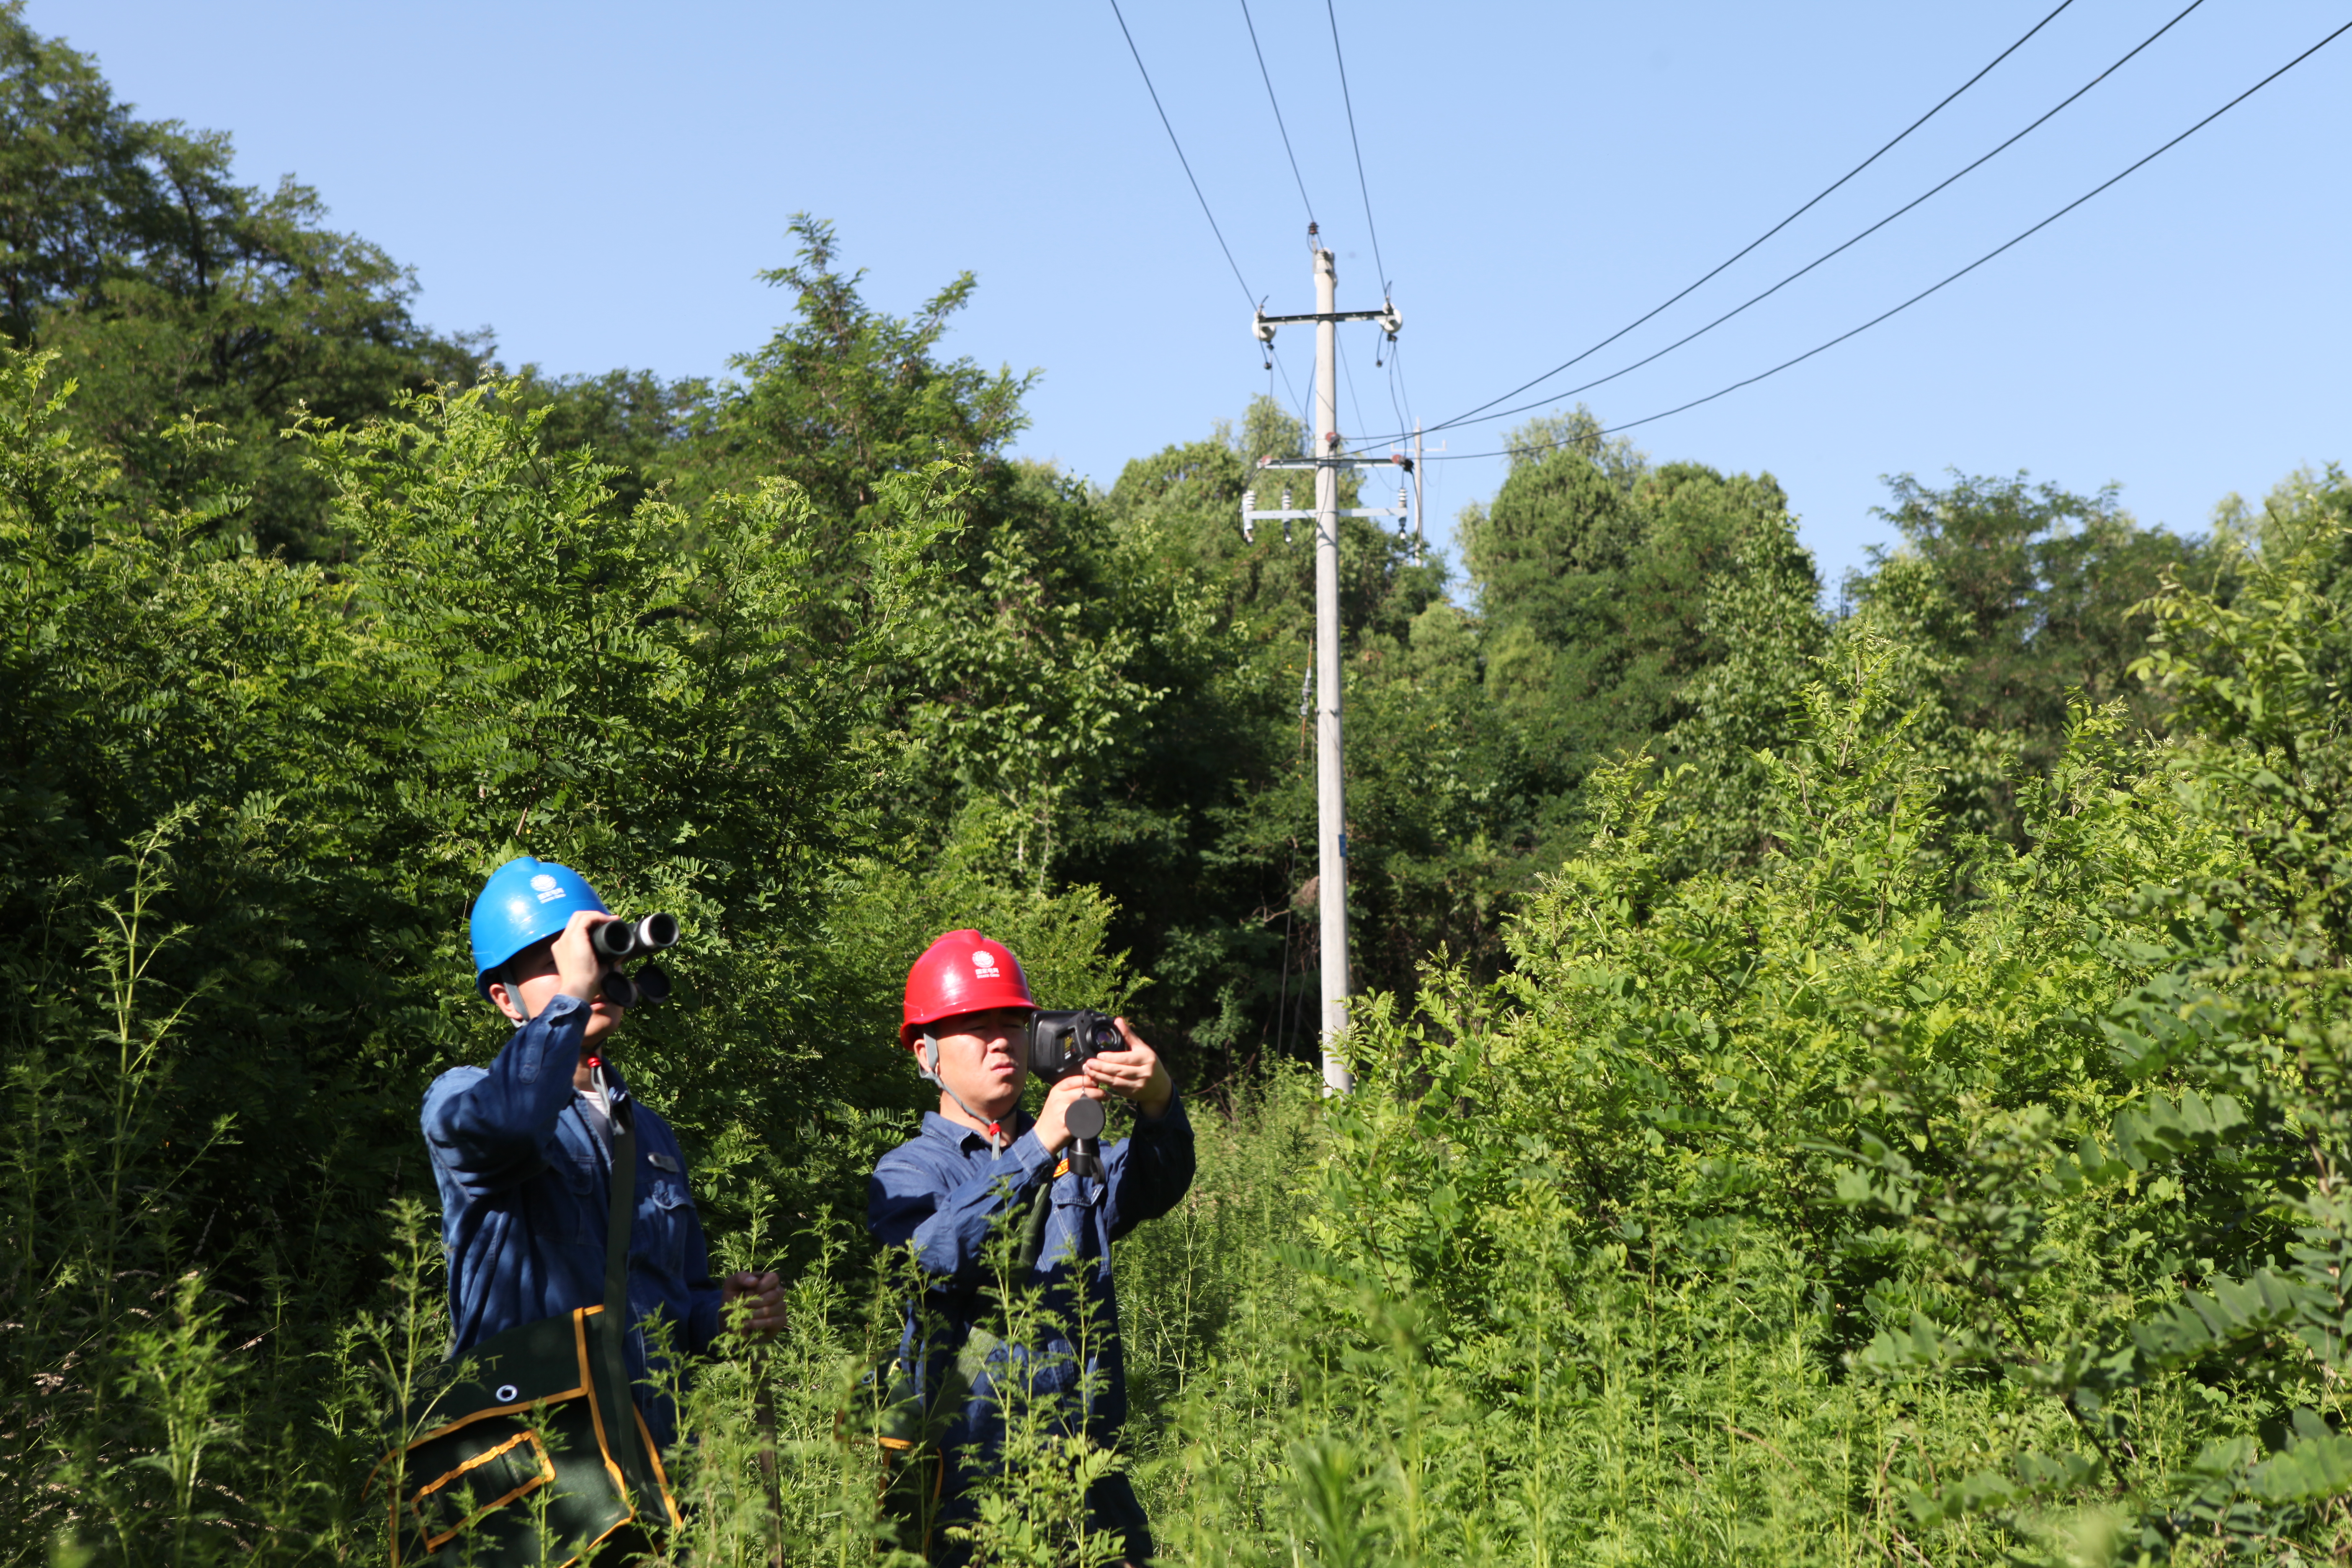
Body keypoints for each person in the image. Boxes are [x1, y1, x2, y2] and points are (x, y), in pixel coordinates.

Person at [422, 855, 787, 1451]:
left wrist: (722, 1316)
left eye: (594, 954)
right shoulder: (460, 1097)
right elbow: (512, 1129)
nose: (587, 972)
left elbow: (676, 1300)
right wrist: (571, 996)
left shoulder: (649, 1134)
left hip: (652, 1457)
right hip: (541, 1460)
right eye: (555, 962)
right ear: (506, 1000)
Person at [868, 929, 1195, 1565]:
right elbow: (933, 1256)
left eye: (1013, 1024)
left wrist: (1158, 1100)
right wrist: (1038, 1145)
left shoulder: (1078, 1155)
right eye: (975, 1026)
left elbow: (1156, 1185)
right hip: (969, 1492)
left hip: (1088, 1476)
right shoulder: (907, 1171)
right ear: (926, 1052)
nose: (1001, 1041)